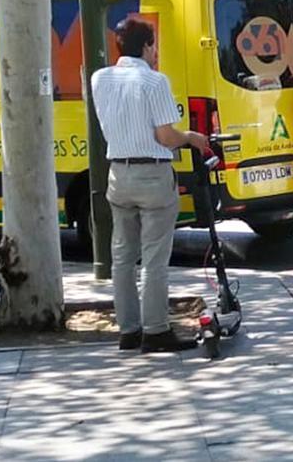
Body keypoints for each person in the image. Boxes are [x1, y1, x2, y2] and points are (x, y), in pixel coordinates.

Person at [91, 18, 208, 354]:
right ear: (146, 45)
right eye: (154, 44)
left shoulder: (100, 79)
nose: (156, 51)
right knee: (154, 257)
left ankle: (128, 330)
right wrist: (190, 138)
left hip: (119, 174)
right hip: (153, 174)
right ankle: (156, 330)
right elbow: (165, 136)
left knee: (122, 257)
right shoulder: (154, 82)